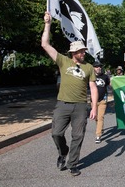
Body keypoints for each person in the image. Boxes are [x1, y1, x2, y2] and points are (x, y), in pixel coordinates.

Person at [41, 12, 98, 176]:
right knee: (56, 133)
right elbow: (45, 44)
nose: (83, 53)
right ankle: (63, 152)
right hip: (62, 104)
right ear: (73, 53)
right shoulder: (62, 61)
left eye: (84, 51)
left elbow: (93, 88)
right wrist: (48, 24)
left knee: (78, 135)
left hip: (80, 106)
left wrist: (93, 107)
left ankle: (73, 164)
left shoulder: (88, 67)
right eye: (81, 51)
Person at [93, 61, 110, 144]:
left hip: (103, 100)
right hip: (93, 101)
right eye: (96, 67)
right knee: (96, 118)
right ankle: (100, 129)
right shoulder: (91, 77)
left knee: (100, 117)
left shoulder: (105, 76)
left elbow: (110, 84)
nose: (98, 68)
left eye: (99, 66)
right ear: (93, 68)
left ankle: (98, 135)